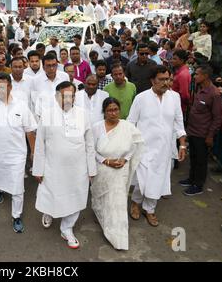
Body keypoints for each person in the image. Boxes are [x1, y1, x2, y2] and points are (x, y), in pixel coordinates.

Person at [32, 81, 97, 249]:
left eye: (72, 96)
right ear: (56, 96)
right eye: (64, 95)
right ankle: (49, 212)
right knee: (52, 193)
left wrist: (91, 169)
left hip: (78, 168)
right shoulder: (47, 115)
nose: (68, 99)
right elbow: (40, 144)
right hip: (53, 167)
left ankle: (67, 228)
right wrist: (38, 169)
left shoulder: (84, 114)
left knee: (76, 197)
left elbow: (90, 144)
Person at [127, 65, 187, 227]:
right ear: (152, 80)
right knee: (141, 180)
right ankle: (135, 203)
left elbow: (179, 123)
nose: (165, 82)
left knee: (158, 180)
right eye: (161, 79)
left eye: (167, 79)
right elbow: (131, 123)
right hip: (143, 148)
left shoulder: (174, 97)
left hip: (164, 149)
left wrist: (182, 145)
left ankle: (150, 209)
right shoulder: (141, 98)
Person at [0, 73, 37, 233]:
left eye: (2, 86)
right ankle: (0, 191)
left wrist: (34, 153)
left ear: (10, 86)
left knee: (18, 187)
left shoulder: (21, 106)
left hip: (17, 156)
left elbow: (30, 131)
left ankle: (16, 216)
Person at [91, 97, 144, 250]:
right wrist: (106, 161)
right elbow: (91, 150)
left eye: (116, 110)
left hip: (120, 170)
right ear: (104, 112)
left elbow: (137, 145)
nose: (113, 113)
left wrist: (125, 160)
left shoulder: (128, 127)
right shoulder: (96, 128)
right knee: (101, 199)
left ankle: (118, 236)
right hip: (102, 168)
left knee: (117, 203)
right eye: (109, 110)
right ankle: (101, 216)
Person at [180, 65, 222, 196]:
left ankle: (198, 185)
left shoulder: (214, 94)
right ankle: (191, 179)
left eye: (197, 74)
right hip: (193, 131)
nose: (194, 76)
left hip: (203, 134)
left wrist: (210, 136)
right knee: (193, 157)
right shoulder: (200, 88)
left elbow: (217, 117)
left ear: (205, 76)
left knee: (201, 161)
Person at [30, 53, 69, 118]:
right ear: (43, 67)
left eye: (54, 65)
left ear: (57, 65)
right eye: (48, 65)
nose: (51, 68)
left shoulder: (64, 77)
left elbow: (68, 97)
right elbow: (35, 102)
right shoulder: (35, 80)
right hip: (44, 118)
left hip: (63, 117)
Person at [171, 49, 191, 114]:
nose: (172, 61)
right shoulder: (180, 71)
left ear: (181, 60)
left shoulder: (183, 74)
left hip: (179, 107)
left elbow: (184, 94)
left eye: (175, 59)